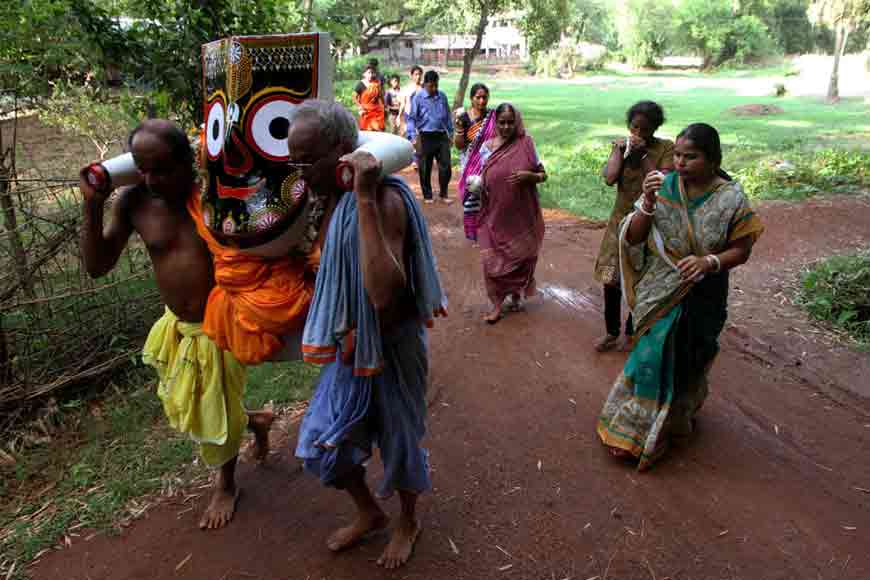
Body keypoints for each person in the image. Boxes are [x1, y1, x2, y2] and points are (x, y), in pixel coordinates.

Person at [78, 119, 274, 530]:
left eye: (163, 169)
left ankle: (226, 485)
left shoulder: (217, 197)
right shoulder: (133, 202)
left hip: (220, 321)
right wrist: (92, 204)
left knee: (211, 405)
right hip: (177, 324)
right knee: (196, 401)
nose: (152, 180)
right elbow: (97, 266)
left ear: (190, 161)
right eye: (144, 169)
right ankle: (254, 421)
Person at [288, 100, 447, 569]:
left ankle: (408, 521)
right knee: (320, 445)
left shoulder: (385, 200)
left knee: (400, 445)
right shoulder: (323, 200)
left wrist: (362, 197)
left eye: (306, 160)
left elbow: (380, 294)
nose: (298, 172)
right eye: (292, 160)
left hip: (393, 349)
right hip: (350, 353)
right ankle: (369, 513)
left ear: (341, 153)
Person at [596, 123, 764, 470]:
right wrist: (647, 200)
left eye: (692, 156)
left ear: (713, 159)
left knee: (690, 357)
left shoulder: (731, 199)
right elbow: (634, 238)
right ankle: (633, 431)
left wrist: (709, 261)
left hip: (705, 293)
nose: (682, 162)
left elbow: (742, 249)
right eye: (678, 155)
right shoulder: (664, 186)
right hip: (661, 289)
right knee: (650, 355)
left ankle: (673, 421)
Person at [594, 101, 674, 352]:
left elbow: (661, 184)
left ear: (655, 128)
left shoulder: (665, 148)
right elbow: (609, 178)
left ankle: (632, 329)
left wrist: (642, 157)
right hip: (619, 222)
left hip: (649, 221)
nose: (638, 133)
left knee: (641, 279)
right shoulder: (622, 146)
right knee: (611, 279)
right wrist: (619, 151)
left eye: (645, 128)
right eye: (634, 126)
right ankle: (611, 332)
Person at [477, 103, 546, 323]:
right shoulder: (487, 147)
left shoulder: (526, 143)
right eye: (502, 122)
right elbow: (481, 175)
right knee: (492, 260)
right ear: (495, 123)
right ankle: (496, 305)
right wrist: (476, 186)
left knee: (521, 255)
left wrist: (530, 176)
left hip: (522, 213)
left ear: (516, 122)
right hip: (494, 212)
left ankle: (516, 292)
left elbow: (543, 174)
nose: (506, 127)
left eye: (510, 122)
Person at [454, 82, 496, 243]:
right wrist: (458, 127)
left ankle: (486, 229)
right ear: (471, 99)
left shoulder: (492, 117)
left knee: (488, 196)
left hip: (488, 162)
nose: (482, 101)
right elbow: (458, 145)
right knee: (472, 194)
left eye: (485, 97)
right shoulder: (463, 117)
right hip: (470, 162)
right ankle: (472, 231)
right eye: (478, 97)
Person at [406, 70, 454, 204]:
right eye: (431, 86)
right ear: (425, 84)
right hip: (425, 136)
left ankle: (443, 193)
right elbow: (411, 119)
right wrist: (412, 136)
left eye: (436, 86)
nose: (434, 89)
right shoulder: (418, 97)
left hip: (441, 135)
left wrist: (451, 133)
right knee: (425, 167)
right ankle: (427, 195)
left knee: (446, 166)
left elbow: (447, 116)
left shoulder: (442, 96)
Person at [398, 65, 424, 168]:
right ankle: (414, 160)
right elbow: (403, 103)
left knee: (420, 138)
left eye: (419, 74)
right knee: (413, 137)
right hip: (410, 116)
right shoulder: (407, 89)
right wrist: (399, 117)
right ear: (412, 75)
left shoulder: (424, 88)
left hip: (421, 117)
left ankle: (417, 157)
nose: (418, 77)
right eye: (416, 74)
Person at [353, 65, 385, 131]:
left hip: (377, 112)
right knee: (367, 130)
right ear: (364, 74)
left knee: (378, 130)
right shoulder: (360, 84)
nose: (370, 75)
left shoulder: (376, 84)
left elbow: (380, 96)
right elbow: (354, 97)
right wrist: (359, 107)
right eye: (369, 73)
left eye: (372, 73)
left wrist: (383, 107)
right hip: (365, 112)